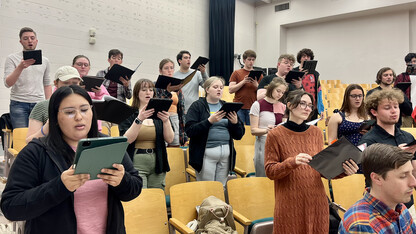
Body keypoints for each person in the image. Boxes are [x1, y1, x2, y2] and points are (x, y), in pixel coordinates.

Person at [0, 85, 142, 233]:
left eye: (84, 110)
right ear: (54, 117)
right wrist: (60, 186)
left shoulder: (109, 145)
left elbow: (134, 188)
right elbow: (11, 207)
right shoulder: (36, 152)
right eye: (69, 112)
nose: (79, 117)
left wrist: (121, 180)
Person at [264, 89, 358, 233]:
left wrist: (344, 171)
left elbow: (322, 170)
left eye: (310, 105)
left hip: (316, 199)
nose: (307, 108)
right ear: (289, 105)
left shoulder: (316, 133)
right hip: (290, 201)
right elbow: (270, 171)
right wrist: (292, 162)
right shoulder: (275, 134)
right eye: (303, 104)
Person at [339, 144, 416, 233]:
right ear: (377, 178)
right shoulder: (362, 225)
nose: (413, 183)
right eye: (403, 176)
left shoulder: (400, 208)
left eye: (411, 173)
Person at [358, 88, 416, 208]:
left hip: (406, 204)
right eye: (387, 108)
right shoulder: (368, 141)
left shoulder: (408, 137)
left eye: (396, 106)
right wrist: (394, 156)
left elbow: (414, 170)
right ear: (374, 112)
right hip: (380, 204)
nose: (394, 111)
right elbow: (369, 174)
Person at [185, 77, 245, 186]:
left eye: (221, 88)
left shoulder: (227, 106)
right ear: (207, 89)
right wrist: (209, 121)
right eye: (215, 87)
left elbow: (239, 135)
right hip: (206, 152)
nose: (219, 90)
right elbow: (190, 130)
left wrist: (235, 123)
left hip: (226, 153)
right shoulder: (197, 106)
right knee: (207, 187)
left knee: (221, 188)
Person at [119, 79, 174, 189]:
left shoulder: (160, 113)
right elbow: (126, 140)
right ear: (137, 93)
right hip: (136, 160)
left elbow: (170, 139)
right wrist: (139, 119)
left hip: (158, 160)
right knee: (141, 197)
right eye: (144, 90)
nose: (148, 92)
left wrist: (166, 121)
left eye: (150, 90)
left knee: (157, 197)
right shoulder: (128, 113)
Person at [3, 27, 52, 128]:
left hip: (39, 103)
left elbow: (47, 84)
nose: (30, 41)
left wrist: (49, 103)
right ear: (21, 42)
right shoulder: (12, 58)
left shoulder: (45, 61)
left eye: (32, 38)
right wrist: (20, 67)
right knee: (21, 137)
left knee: (39, 137)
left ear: (36, 41)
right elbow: (8, 83)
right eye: (25, 38)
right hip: (19, 103)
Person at [26, 66, 83, 143]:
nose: (70, 87)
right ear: (56, 83)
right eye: (65, 83)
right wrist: (46, 128)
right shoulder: (42, 106)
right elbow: (29, 141)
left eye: (75, 83)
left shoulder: (84, 105)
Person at [249, 77, 288, 177]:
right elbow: (253, 130)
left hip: (279, 144)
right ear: (271, 88)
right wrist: (267, 130)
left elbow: (284, 125)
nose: (280, 94)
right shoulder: (258, 104)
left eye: (282, 92)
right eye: (278, 91)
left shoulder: (283, 106)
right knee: (263, 175)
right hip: (263, 143)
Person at [155, 58, 187, 146]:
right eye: (166, 68)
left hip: (175, 119)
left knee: (175, 145)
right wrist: (168, 92)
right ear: (160, 70)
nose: (169, 71)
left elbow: (182, 112)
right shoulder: (155, 86)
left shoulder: (177, 88)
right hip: (161, 119)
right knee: (163, 146)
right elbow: (158, 105)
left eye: (171, 68)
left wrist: (184, 134)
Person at [229, 49, 263, 125]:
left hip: (253, 106)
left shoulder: (259, 75)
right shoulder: (236, 73)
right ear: (244, 60)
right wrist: (243, 82)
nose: (251, 62)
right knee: (238, 128)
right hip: (239, 106)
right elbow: (230, 90)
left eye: (253, 60)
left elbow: (263, 92)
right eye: (249, 59)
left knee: (251, 131)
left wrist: (256, 85)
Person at [292, 48, 324, 119]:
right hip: (299, 107)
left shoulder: (315, 74)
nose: (306, 58)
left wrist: (321, 109)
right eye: (303, 56)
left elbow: (319, 92)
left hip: (313, 108)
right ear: (300, 59)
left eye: (308, 57)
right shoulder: (294, 71)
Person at [394, 53, 416, 127]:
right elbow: (396, 93)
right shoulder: (401, 77)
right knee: (406, 133)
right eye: (414, 61)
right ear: (407, 63)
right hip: (406, 111)